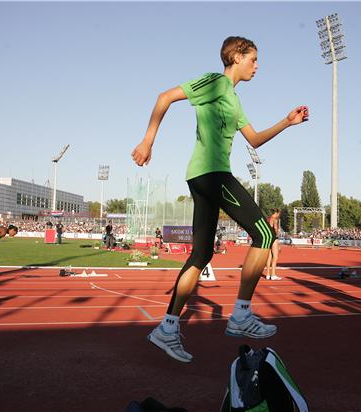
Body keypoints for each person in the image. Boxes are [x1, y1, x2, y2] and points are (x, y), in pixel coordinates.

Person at [132, 36, 309, 362]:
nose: (257, 66)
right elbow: (165, 97)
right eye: (253, 59)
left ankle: (167, 327)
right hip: (210, 173)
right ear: (237, 57)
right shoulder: (214, 82)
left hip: (206, 177)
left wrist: (287, 122)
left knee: (200, 256)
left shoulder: (235, 100)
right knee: (265, 233)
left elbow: (254, 140)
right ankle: (241, 314)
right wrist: (147, 141)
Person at [265, 209, 282, 280]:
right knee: (275, 257)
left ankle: (268, 274)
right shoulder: (275, 219)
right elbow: (275, 228)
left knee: (269, 257)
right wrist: (277, 233)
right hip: (274, 238)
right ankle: (273, 275)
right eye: (279, 214)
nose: (279, 215)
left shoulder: (268, 219)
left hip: (268, 238)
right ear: (277, 213)